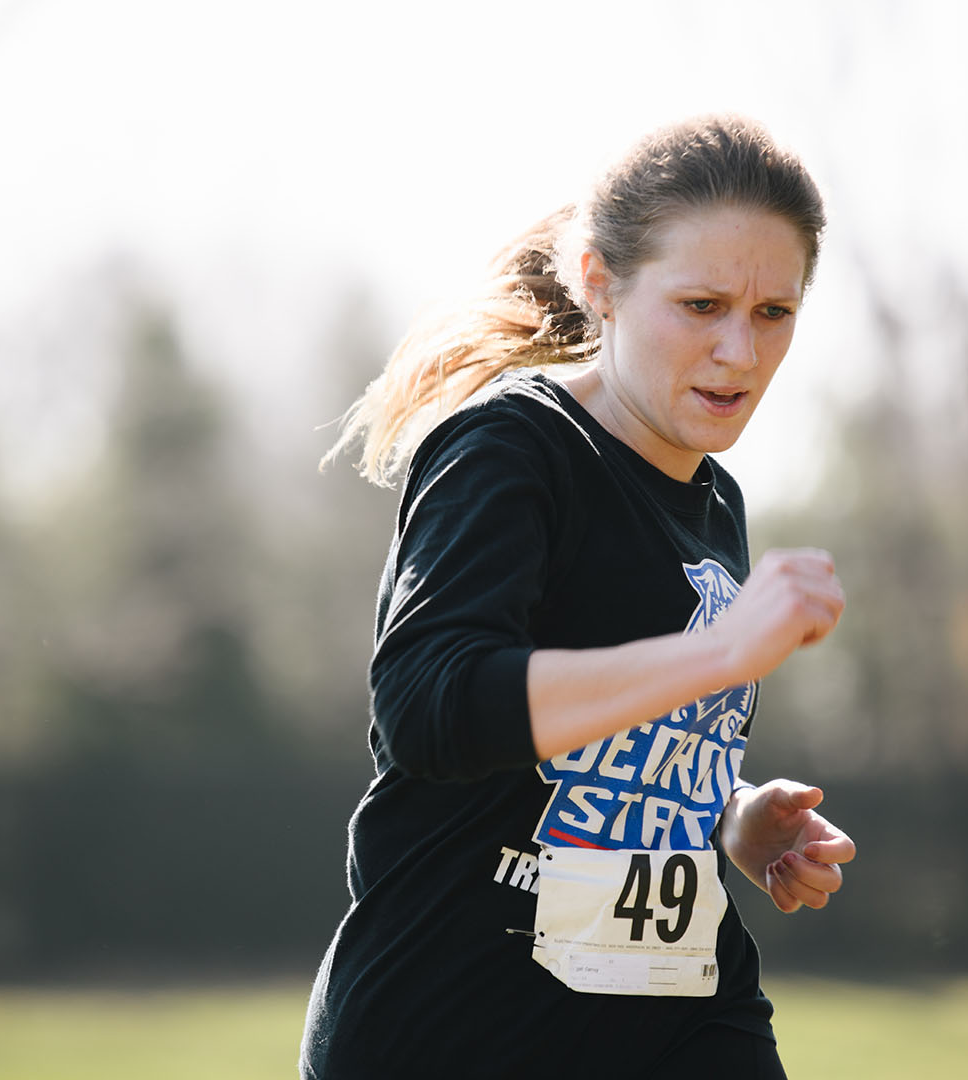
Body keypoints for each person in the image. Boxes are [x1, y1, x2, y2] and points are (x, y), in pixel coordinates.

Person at [300, 115, 855, 1079]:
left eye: (775, 313)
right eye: (702, 304)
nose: (740, 351)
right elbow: (432, 705)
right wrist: (722, 655)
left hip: (678, 1016)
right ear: (600, 284)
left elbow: (614, 749)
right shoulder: (509, 449)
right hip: (454, 1028)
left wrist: (727, 813)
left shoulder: (716, 501)